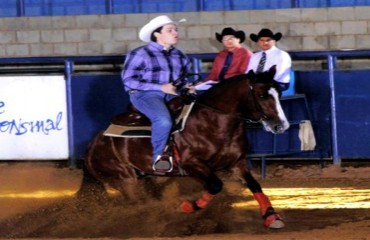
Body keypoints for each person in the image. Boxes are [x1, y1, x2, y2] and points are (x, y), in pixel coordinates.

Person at [121, 15, 192, 172]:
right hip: (144, 95)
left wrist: (187, 87)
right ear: (157, 34)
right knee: (163, 120)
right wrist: (160, 88)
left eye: (176, 30)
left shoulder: (180, 56)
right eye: (170, 30)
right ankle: (159, 158)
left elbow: (182, 79)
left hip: (173, 94)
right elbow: (128, 81)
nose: (175, 33)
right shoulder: (140, 54)